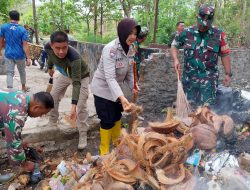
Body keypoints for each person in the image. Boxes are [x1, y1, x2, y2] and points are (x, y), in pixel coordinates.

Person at [91, 18, 141, 156]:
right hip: (102, 89)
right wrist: (122, 98)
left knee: (117, 116)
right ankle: (104, 151)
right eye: (130, 33)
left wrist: (133, 86)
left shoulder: (131, 48)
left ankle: (117, 144)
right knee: (107, 120)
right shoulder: (110, 49)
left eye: (135, 34)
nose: (133, 37)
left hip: (116, 89)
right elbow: (109, 77)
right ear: (122, 32)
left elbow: (130, 70)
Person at [171, 4, 232, 106]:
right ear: (197, 16)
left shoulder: (218, 34)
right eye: (201, 24)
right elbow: (174, 45)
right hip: (189, 81)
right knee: (188, 110)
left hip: (209, 83)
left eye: (206, 25)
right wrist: (175, 59)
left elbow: (225, 55)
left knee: (207, 112)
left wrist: (228, 74)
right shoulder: (186, 32)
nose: (203, 27)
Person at [45, 31, 89, 150]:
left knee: (81, 105)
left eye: (64, 47)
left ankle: (83, 134)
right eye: (57, 48)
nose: (61, 52)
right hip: (65, 74)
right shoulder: (47, 46)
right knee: (52, 96)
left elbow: (76, 83)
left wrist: (73, 105)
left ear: (68, 44)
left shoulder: (74, 57)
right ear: (51, 45)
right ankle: (52, 121)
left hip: (80, 77)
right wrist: (50, 67)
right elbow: (50, 55)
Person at [0, 90, 54, 172]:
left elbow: (7, 124)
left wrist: (18, 140)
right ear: (36, 107)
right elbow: (14, 144)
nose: (41, 116)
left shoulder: (22, 95)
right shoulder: (18, 113)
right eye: (42, 113)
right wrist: (23, 164)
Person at [0, 10, 31, 92]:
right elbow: (25, 44)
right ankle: (23, 87)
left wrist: (0, 51)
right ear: (18, 18)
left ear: (10, 17)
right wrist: (28, 58)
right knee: (22, 71)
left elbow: (1, 41)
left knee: (9, 72)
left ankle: (9, 89)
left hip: (8, 54)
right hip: (20, 55)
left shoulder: (3, 27)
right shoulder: (22, 29)